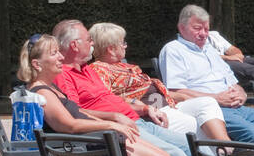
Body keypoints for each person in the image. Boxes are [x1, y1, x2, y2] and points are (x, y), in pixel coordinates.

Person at [19, 35, 188, 156]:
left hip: (96, 141)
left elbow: (79, 113)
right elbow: (69, 125)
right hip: (88, 150)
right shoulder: (42, 92)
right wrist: (110, 124)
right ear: (37, 64)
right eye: (53, 53)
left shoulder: (50, 88)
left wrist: (113, 118)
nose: (60, 57)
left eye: (59, 51)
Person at [51, 20, 198, 156]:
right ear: (74, 45)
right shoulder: (64, 74)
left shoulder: (86, 69)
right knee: (176, 154)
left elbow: (113, 99)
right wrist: (115, 117)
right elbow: (76, 111)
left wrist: (143, 108)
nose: (92, 43)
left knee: (195, 146)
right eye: (88, 40)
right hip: (122, 130)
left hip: (138, 121)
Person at [158, 5, 254, 156]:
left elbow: (233, 82)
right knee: (253, 133)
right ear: (181, 27)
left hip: (237, 108)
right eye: (197, 28)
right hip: (212, 111)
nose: (203, 34)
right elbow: (175, 92)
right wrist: (217, 99)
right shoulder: (173, 50)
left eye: (206, 29)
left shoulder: (209, 49)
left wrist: (242, 93)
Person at [87, 22, 230, 143]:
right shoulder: (99, 70)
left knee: (207, 102)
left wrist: (185, 97)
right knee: (195, 124)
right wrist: (139, 105)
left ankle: (226, 148)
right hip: (152, 115)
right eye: (122, 43)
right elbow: (107, 100)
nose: (125, 46)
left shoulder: (124, 66)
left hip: (167, 107)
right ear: (111, 49)